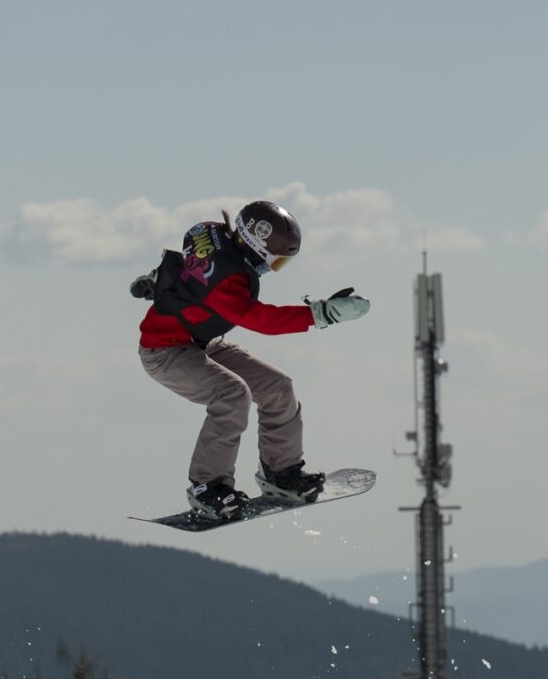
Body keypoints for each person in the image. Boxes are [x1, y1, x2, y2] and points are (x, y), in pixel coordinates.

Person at [130, 199, 370, 523]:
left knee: (277, 387)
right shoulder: (228, 282)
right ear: (259, 248)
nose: (273, 269)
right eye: (277, 262)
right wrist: (321, 314)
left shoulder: (210, 233)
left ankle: (281, 474)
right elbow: (262, 321)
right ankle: (208, 488)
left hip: (200, 341)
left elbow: (188, 262)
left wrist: (156, 279)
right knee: (232, 394)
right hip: (165, 351)